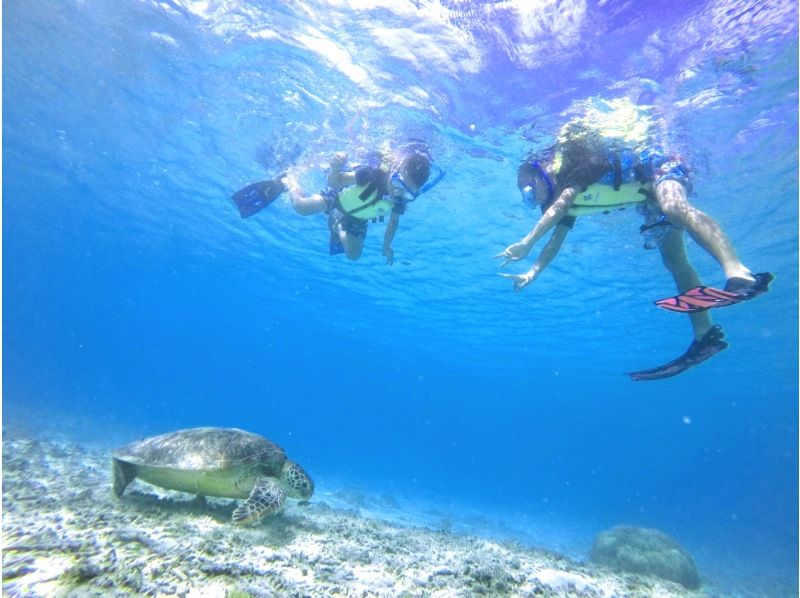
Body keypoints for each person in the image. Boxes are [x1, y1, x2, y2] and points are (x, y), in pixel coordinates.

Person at [495, 99, 772, 381]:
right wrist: (534, 270)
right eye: (525, 196)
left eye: (529, 189)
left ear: (541, 173)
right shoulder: (564, 198)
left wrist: (527, 242)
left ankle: (738, 272)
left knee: (674, 206)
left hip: (658, 166)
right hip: (648, 197)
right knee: (674, 260)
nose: (530, 197)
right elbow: (557, 238)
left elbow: (559, 208)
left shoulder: (572, 167)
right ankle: (705, 336)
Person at [232, 145, 444, 264]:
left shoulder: (397, 201)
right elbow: (335, 182)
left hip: (356, 219)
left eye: (406, 192)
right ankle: (288, 181)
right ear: (394, 172)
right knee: (302, 208)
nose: (398, 192)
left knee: (353, 255)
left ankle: (338, 223)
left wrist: (387, 245)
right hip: (338, 198)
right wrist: (335, 169)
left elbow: (393, 223)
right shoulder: (372, 175)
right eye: (397, 183)